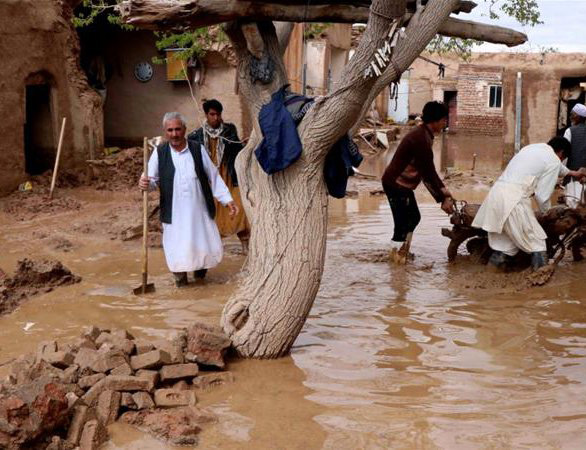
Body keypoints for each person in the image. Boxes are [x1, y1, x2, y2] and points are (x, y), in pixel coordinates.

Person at [139, 112, 238, 287]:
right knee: (177, 248)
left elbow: (213, 176)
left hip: (198, 211)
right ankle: (181, 282)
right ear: (165, 132)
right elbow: (151, 180)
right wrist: (145, 183)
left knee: (201, 247)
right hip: (174, 212)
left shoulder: (197, 149)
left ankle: (200, 279)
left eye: (178, 129)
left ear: (184, 129)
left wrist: (227, 200)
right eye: (170, 130)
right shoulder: (159, 153)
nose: (174, 134)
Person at [472, 137, 584, 270]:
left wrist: (574, 173)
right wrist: (548, 214)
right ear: (561, 153)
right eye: (562, 158)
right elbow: (542, 196)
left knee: (506, 246)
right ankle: (539, 283)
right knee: (538, 243)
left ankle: (487, 277)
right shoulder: (553, 160)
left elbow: (557, 167)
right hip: (514, 201)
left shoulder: (531, 149)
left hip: (495, 196)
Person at [381, 101, 455, 257]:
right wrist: (442, 197)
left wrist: (443, 193)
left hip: (401, 185)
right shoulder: (420, 139)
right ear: (434, 121)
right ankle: (396, 259)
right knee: (402, 223)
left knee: (413, 217)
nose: (445, 123)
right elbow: (428, 172)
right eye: (443, 120)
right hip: (396, 184)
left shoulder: (425, 134)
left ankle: (402, 252)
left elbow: (428, 171)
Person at [188, 99, 251, 253]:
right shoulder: (196, 135)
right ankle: (212, 250)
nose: (215, 118)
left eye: (218, 114)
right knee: (210, 213)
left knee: (239, 208)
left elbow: (237, 150)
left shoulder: (229, 131)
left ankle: (245, 247)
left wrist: (246, 145)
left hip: (228, 176)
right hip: (208, 180)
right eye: (212, 114)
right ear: (206, 115)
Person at [563, 103, 586, 208]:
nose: (570, 117)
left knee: (573, 205)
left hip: (574, 174)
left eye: (573, 114)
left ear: (579, 116)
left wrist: (562, 171)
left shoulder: (570, 131)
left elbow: (564, 154)